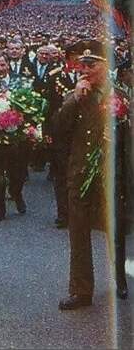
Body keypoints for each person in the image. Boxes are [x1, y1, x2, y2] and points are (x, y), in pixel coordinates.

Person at [55, 40, 131, 310]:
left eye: (91, 64)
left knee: (116, 231)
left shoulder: (121, 94)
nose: (85, 69)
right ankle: (81, 290)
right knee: (78, 234)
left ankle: (119, 280)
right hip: (80, 173)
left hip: (112, 175)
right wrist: (75, 99)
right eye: (82, 64)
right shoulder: (73, 95)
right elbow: (58, 130)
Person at [0, 52, 29, 221]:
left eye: (2, 65)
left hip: (16, 136)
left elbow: (28, 102)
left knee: (17, 174)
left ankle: (16, 194)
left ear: (8, 65)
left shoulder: (20, 80)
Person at [44, 44, 80, 229]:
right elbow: (49, 106)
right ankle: (63, 213)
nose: (76, 61)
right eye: (72, 57)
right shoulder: (54, 76)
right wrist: (47, 132)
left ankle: (82, 213)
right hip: (60, 133)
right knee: (61, 175)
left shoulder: (92, 76)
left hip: (84, 132)